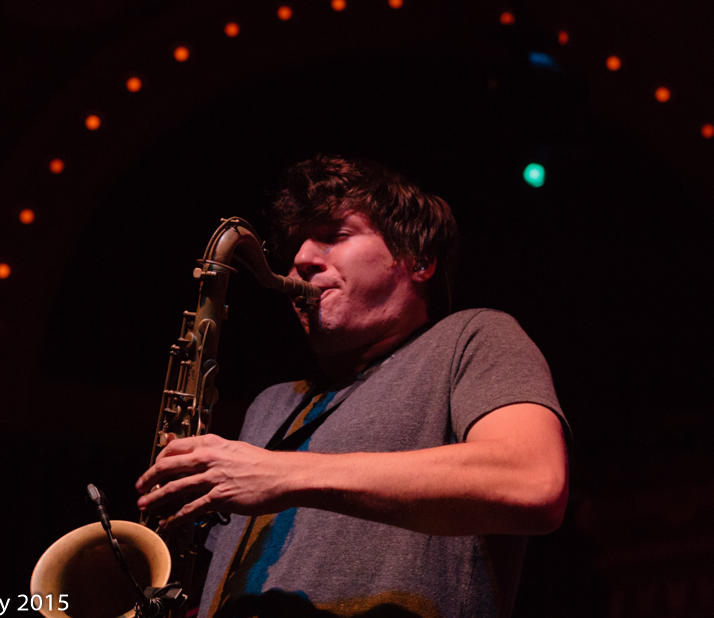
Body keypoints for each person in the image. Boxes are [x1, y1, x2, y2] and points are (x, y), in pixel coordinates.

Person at [136, 156, 569, 618]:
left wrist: (280, 474)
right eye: (298, 243)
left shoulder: (473, 337)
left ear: (419, 260)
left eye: (334, 235)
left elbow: (533, 481)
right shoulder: (272, 404)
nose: (302, 258)